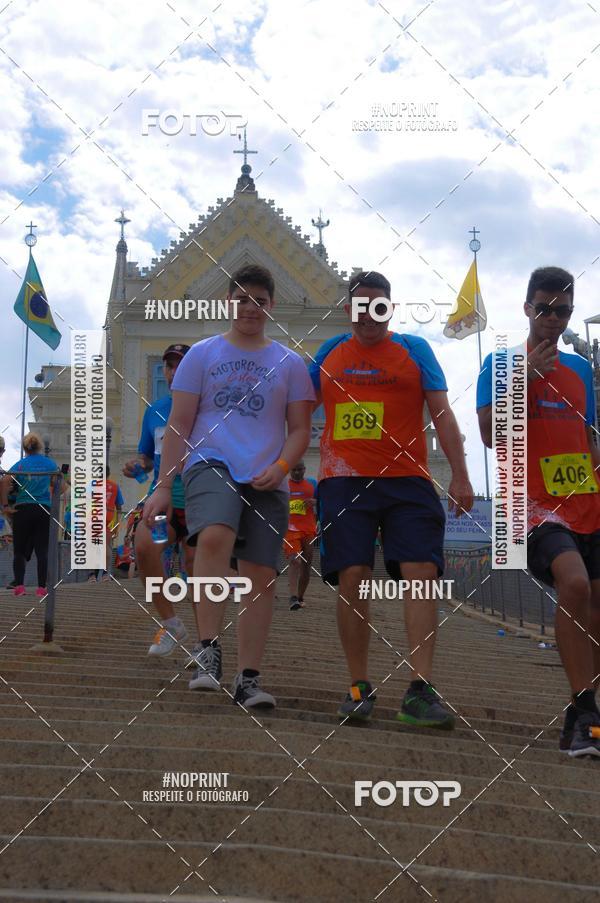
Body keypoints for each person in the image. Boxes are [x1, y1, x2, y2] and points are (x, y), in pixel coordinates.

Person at [143, 263, 314, 707]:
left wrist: (281, 466)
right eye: (242, 299)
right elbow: (179, 424)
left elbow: (299, 429)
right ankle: (208, 649)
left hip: (266, 474)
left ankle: (249, 677)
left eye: (259, 300)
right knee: (215, 534)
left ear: (271, 306)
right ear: (228, 303)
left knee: (260, 573)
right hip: (210, 461)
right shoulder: (202, 355)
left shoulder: (290, 363)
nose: (250, 307)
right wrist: (163, 487)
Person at [309, 271, 473, 725]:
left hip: (408, 479)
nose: (370, 315)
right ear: (348, 312)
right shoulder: (329, 354)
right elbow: (296, 410)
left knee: (421, 571)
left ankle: (420, 689)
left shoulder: (414, 350)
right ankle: (358, 685)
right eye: (361, 306)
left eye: (379, 306)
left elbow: (441, 412)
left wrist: (460, 475)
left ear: (390, 309)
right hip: (344, 479)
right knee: (354, 574)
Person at [477, 266, 600, 758]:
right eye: (544, 308)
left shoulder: (583, 370)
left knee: (595, 605)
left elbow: (587, 439)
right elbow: (489, 434)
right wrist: (525, 377)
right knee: (573, 583)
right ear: (528, 308)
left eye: (562, 311)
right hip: (527, 506)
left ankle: (585, 712)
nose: (553, 319)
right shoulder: (501, 362)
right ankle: (583, 706)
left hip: (585, 502)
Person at [122, 344, 195, 656]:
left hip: (199, 497)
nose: (174, 371)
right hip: (163, 499)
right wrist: (137, 466)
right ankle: (171, 623)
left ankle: (205, 644)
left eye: (181, 364)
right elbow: (148, 457)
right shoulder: (154, 410)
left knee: (196, 569)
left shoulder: (206, 406)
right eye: (168, 365)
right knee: (143, 547)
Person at [0, 432, 59, 596]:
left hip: (23, 509)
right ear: (40, 447)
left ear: (25, 448)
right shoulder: (49, 464)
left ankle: (19, 586)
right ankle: (41, 588)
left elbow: (4, 481)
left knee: (19, 550)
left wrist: (5, 506)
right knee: (42, 551)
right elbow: (59, 484)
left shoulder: (20, 464)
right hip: (43, 509)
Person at [284, 461, 318, 610]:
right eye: (294, 470)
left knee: (306, 564)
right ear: (290, 470)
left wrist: (315, 501)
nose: (297, 472)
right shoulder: (284, 486)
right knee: (294, 561)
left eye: (299, 470)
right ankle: (292, 598)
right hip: (290, 530)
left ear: (304, 469)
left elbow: (323, 501)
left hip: (308, 529)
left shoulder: (312, 484)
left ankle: (300, 596)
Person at [88, 466, 124, 582]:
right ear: (109, 474)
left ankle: (92, 574)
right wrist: (117, 525)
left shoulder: (92, 485)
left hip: (93, 519)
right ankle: (104, 574)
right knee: (106, 546)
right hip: (107, 520)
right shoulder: (115, 487)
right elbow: (119, 507)